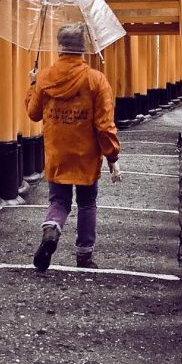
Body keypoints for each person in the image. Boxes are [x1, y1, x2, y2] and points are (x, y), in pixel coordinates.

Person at [25, 23, 121, 271]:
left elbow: (33, 114)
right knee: (87, 203)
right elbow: (104, 124)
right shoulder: (95, 80)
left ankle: (51, 229)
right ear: (84, 48)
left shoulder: (45, 77)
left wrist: (33, 85)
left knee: (59, 201)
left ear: (60, 47)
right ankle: (84, 255)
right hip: (87, 155)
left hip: (57, 152)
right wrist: (112, 156)